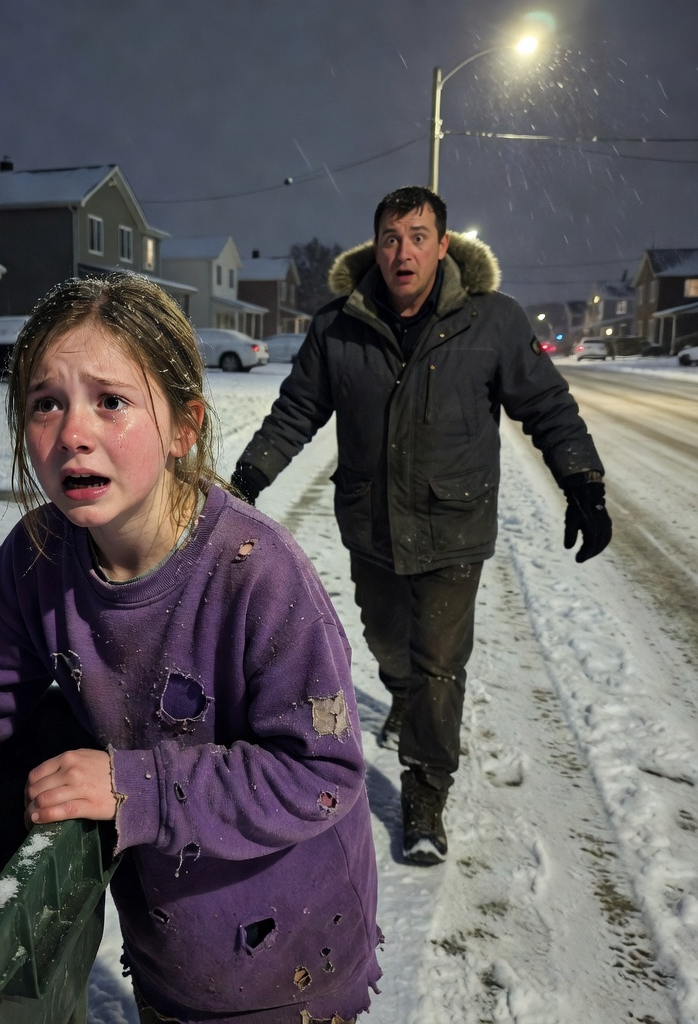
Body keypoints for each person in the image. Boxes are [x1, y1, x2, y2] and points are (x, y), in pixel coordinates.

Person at [0, 273, 383, 1023]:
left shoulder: (257, 574)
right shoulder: (38, 557)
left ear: (183, 426)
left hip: (291, 955)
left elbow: (320, 772)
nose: (73, 431)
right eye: (46, 403)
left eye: (111, 400)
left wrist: (138, 787)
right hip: (170, 939)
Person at [232, 185, 611, 867]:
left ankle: (426, 790)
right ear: (374, 248)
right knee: (386, 642)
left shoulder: (492, 322)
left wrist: (582, 481)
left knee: (440, 666)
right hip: (372, 526)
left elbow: (548, 407)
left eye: (417, 235)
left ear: (442, 245)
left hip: (453, 527)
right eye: (389, 237)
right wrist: (248, 478)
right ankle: (402, 698)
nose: (402, 250)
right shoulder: (337, 327)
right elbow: (296, 411)